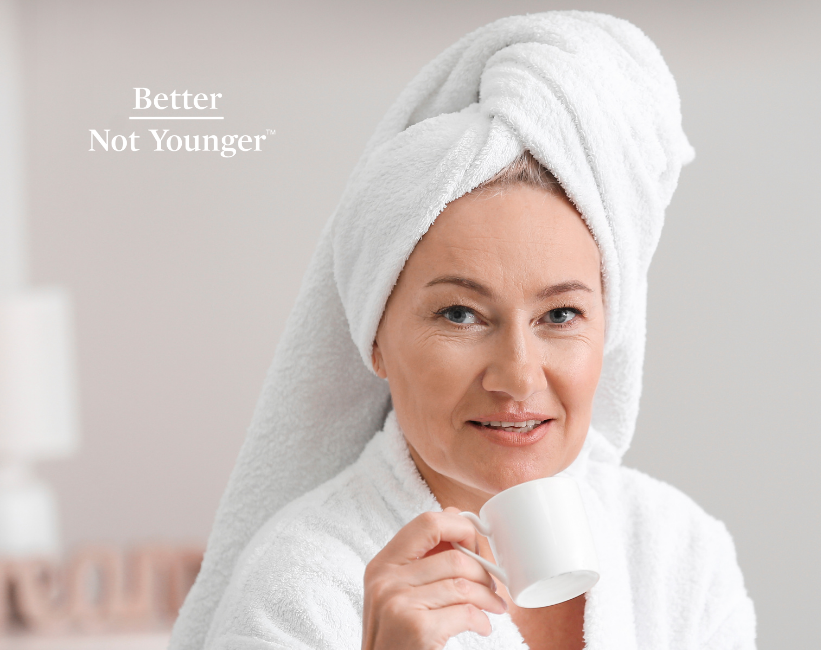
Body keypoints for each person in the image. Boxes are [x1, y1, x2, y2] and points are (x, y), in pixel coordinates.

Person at [170, 11, 756, 650]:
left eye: (560, 315)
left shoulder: (678, 556)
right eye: (460, 315)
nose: (518, 376)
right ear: (374, 340)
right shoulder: (302, 589)